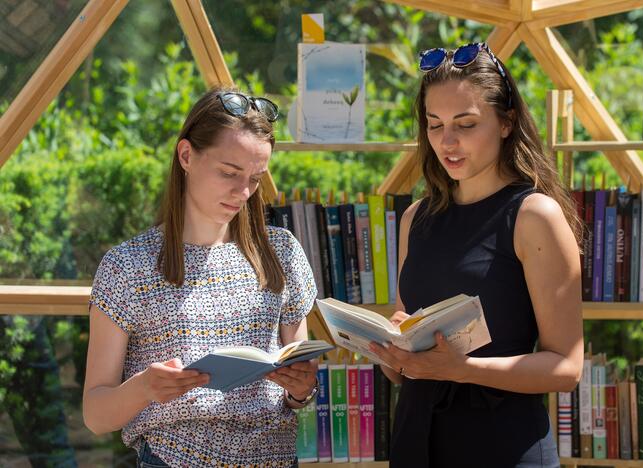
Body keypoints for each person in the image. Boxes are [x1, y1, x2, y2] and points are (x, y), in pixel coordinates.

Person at [369, 42, 584, 467]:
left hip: (503, 446)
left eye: (465, 124)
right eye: (434, 125)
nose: (447, 142)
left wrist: (461, 369)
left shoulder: (533, 215)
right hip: (416, 443)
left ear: (506, 122)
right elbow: (402, 364)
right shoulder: (416, 217)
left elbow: (567, 368)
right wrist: (391, 351)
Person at [82, 89, 319, 467]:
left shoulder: (282, 253)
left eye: (255, 179)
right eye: (228, 173)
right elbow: (95, 415)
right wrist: (145, 387)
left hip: (275, 457)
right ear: (187, 155)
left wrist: (302, 392)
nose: (243, 192)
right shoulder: (128, 267)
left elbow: (299, 386)